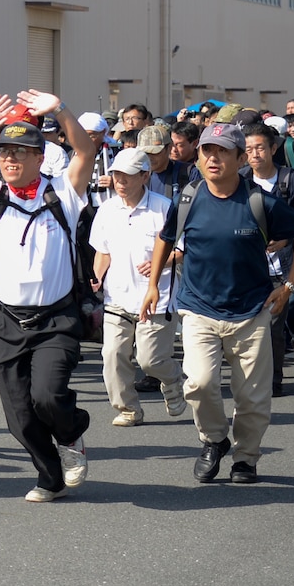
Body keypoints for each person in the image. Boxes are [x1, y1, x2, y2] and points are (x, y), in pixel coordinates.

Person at [0, 93, 100, 502]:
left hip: (55, 320)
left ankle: (71, 436)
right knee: (19, 416)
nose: (10, 158)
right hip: (3, 322)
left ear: (40, 156)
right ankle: (49, 476)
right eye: (3, 152)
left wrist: (59, 110)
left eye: (20, 151)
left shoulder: (63, 194)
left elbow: (85, 151)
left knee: (48, 397)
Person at [148, 123, 294, 484]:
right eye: (207, 150)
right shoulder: (188, 199)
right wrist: (152, 286)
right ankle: (215, 440)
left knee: (252, 398)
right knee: (200, 384)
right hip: (199, 308)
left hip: (251, 312)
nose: (213, 158)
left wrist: (287, 286)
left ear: (240, 159)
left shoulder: (260, 202)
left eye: (222, 151)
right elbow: (165, 238)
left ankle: (246, 459)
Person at [86, 147, 185, 426]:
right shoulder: (106, 209)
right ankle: (128, 409)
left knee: (150, 360)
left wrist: (161, 262)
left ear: (145, 176)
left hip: (157, 297)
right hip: (117, 296)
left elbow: (183, 250)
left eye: (127, 176)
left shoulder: (164, 208)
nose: (120, 181)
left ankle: (173, 380)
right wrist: (96, 277)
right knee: (112, 355)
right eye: (116, 175)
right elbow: (102, 251)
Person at [241, 123, 294, 396]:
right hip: (251, 267)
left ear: (273, 148)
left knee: (280, 318)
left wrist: (286, 239)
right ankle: (258, 376)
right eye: (248, 149)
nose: (254, 154)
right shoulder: (240, 180)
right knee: (253, 325)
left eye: (260, 148)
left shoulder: (291, 180)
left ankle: (274, 378)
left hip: (287, 265)